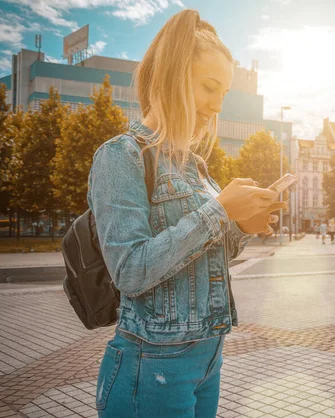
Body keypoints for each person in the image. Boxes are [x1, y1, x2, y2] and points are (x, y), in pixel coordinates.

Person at [90, 10, 286, 417]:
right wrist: (219, 212)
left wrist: (242, 226)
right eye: (209, 88)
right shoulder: (120, 155)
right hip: (151, 365)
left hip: (208, 357)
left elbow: (205, 257)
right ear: (172, 77)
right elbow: (130, 272)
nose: (217, 106)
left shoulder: (193, 164)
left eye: (224, 93)